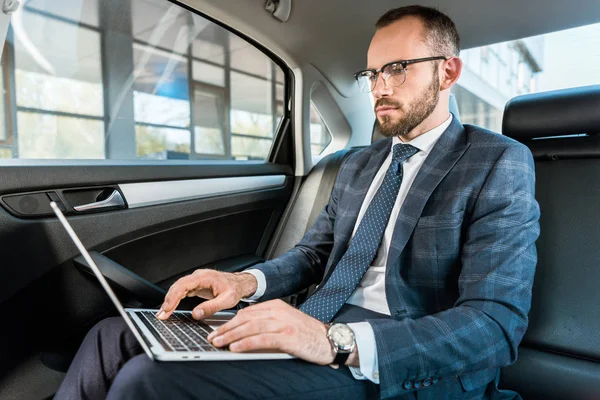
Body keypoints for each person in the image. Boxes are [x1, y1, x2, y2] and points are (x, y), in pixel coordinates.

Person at [55, 5, 540, 400]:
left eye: (397, 68)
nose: (380, 87)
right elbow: (314, 255)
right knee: (111, 336)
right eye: (372, 73)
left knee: (149, 382)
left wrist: (334, 341)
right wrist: (245, 282)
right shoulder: (359, 164)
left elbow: (494, 324)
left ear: (448, 71)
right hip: (313, 324)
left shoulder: (496, 161)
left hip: (397, 361)